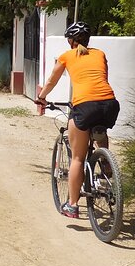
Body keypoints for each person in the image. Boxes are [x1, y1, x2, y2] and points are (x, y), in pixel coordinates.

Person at [35, 21, 119, 219]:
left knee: (77, 158)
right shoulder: (99, 54)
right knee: (100, 128)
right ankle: (106, 164)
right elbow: (100, 78)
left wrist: (42, 98)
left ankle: (72, 205)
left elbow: (52, 80)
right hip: (110, 104)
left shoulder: (67, 56)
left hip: (84, 106)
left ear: (70, 41)